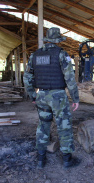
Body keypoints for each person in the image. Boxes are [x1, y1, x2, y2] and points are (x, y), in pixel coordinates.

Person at [23, 27, 79, 169]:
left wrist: (33, 95)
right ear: (58, 40)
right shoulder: (61, 54)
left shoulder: (34, 55)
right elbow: (70, 78)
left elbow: (27, 78)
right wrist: (75, 98)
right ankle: (67, 159)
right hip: (58, 96)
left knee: (43, 125)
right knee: (64, 126)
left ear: (47, 40)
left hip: (41, 95)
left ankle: (41, 158)